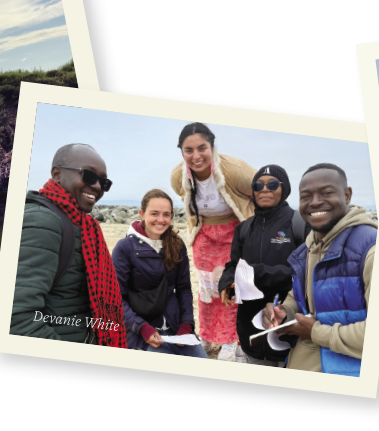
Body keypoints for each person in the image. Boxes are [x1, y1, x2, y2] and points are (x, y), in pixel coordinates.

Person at [9, 143, 126, 347]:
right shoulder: (42, 222)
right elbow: (16, 319)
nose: (98, 187)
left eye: (104, 182)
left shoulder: (82, 225)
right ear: (57, 174)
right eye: (89, 176)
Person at [264, 163, 376, 376]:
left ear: (347, 195)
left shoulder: (371, 250)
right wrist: (283, 312)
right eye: (306, 196)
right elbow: (298, 296)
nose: (315, 202)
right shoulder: (306, 250)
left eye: (326, 193)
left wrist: (316, 332)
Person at [169, 123, 256, 357]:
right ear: (182, 152)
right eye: (189, 150)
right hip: (204, 233)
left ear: (212, 146)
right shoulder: (179, 175)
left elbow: (261, 190)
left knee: (231, 285)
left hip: (234, 231)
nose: (196, 156)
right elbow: (183, 194)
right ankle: (208, 336)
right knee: (207, 289)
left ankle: (231, 338)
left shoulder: (234, 169)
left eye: (202, 148)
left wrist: (255, 225)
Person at [217, 164, 305, 366]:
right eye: (258, 185)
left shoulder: (299, 224)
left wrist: (255, 274)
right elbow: (233, 265)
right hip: (250, 331)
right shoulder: (244, 228)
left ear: (284, 189)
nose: (265, 189)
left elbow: (304, 274)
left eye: (272, 184)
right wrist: (227, 283)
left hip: (288, 330)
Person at [110, 189, 208, 358]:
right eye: (154, 213)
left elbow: (184, 289)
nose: (161, 220)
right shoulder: (124, 248)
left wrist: (186, 325)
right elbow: (116, 297)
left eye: (166, 214)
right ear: (142, 214)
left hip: (176, 326)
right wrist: (142, 328)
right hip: (141, 329)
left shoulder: (177, 245)